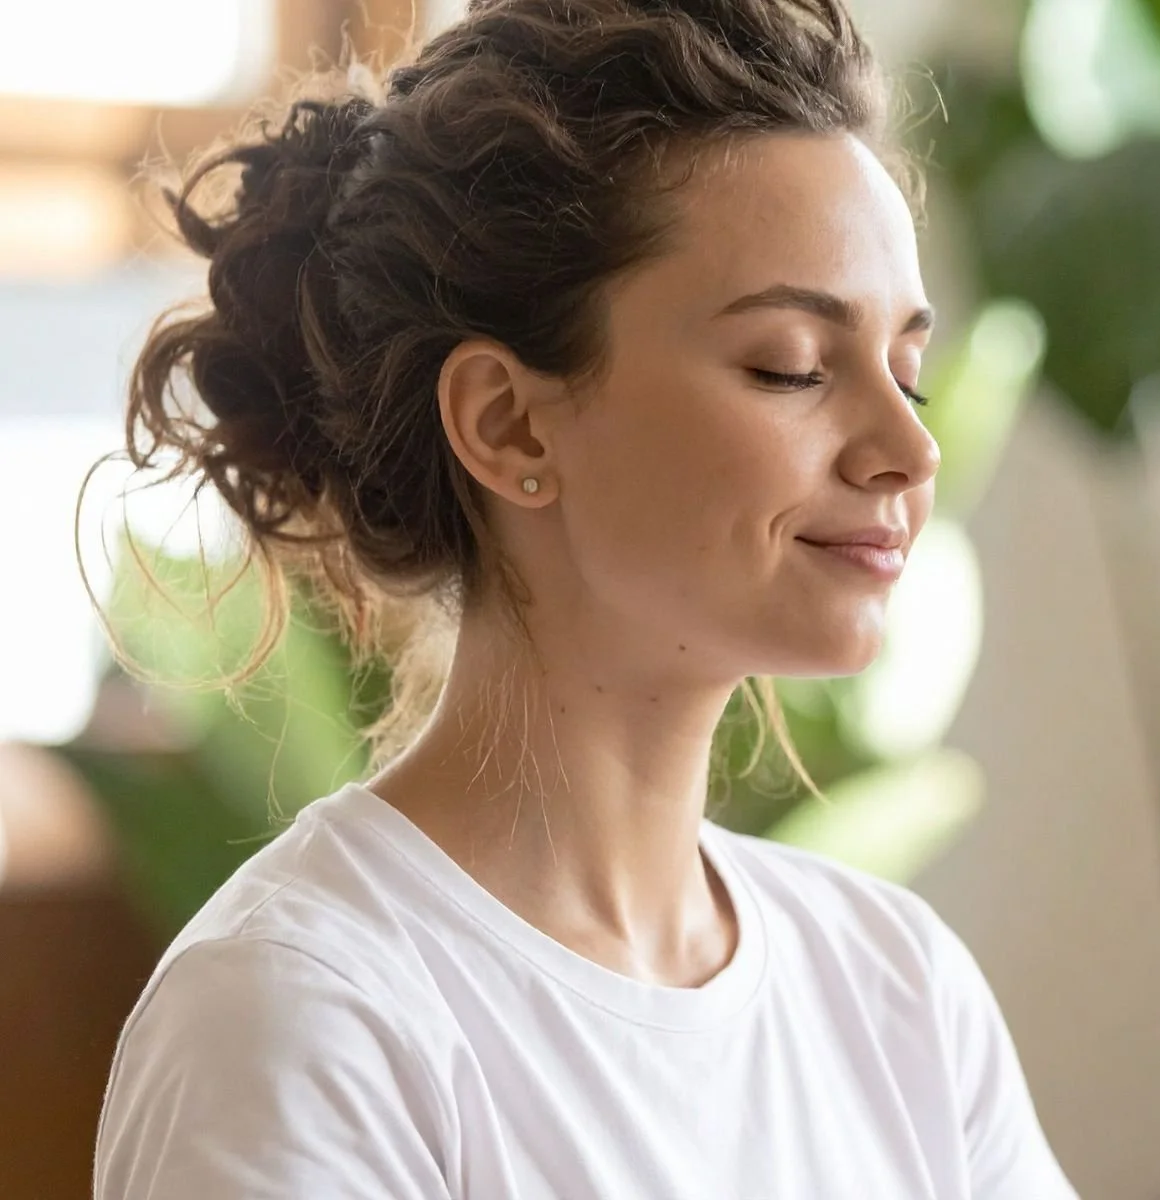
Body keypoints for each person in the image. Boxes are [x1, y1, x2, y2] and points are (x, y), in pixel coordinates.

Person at [91, 1, 1078, 1196]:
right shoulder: (303, 1019)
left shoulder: (900, 994)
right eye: (792, 367)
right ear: (509, 424)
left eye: (906, 373)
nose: (910, 452)